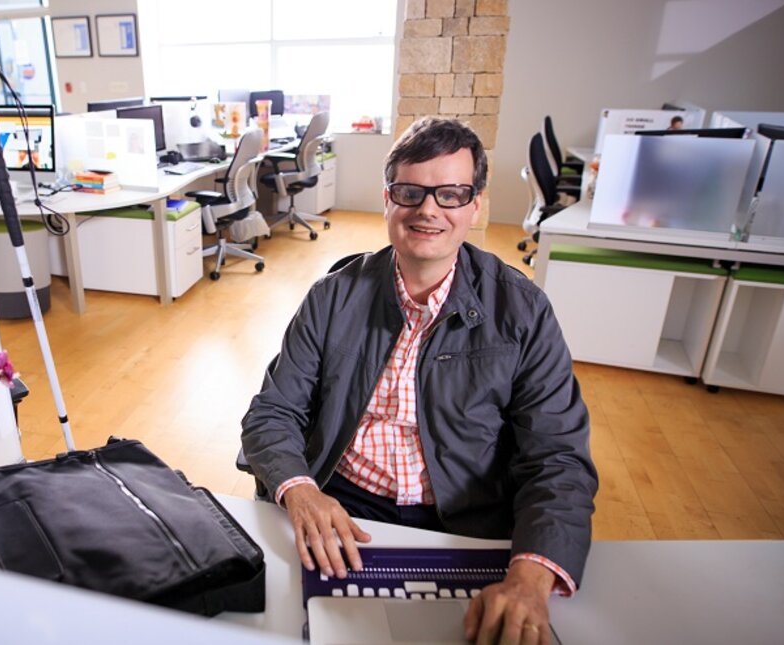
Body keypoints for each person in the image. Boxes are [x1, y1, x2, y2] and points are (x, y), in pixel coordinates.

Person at [241, 117, 598, 644]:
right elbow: (274, 411)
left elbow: (558, 457)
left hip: (465, 523)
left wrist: (530, 574)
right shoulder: (334, 295)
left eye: (451, 194)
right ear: (388, 199)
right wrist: (300, 489)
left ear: (475, 205)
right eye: (411, 192)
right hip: (343, 509)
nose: (428, 210)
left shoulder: (521, 310)